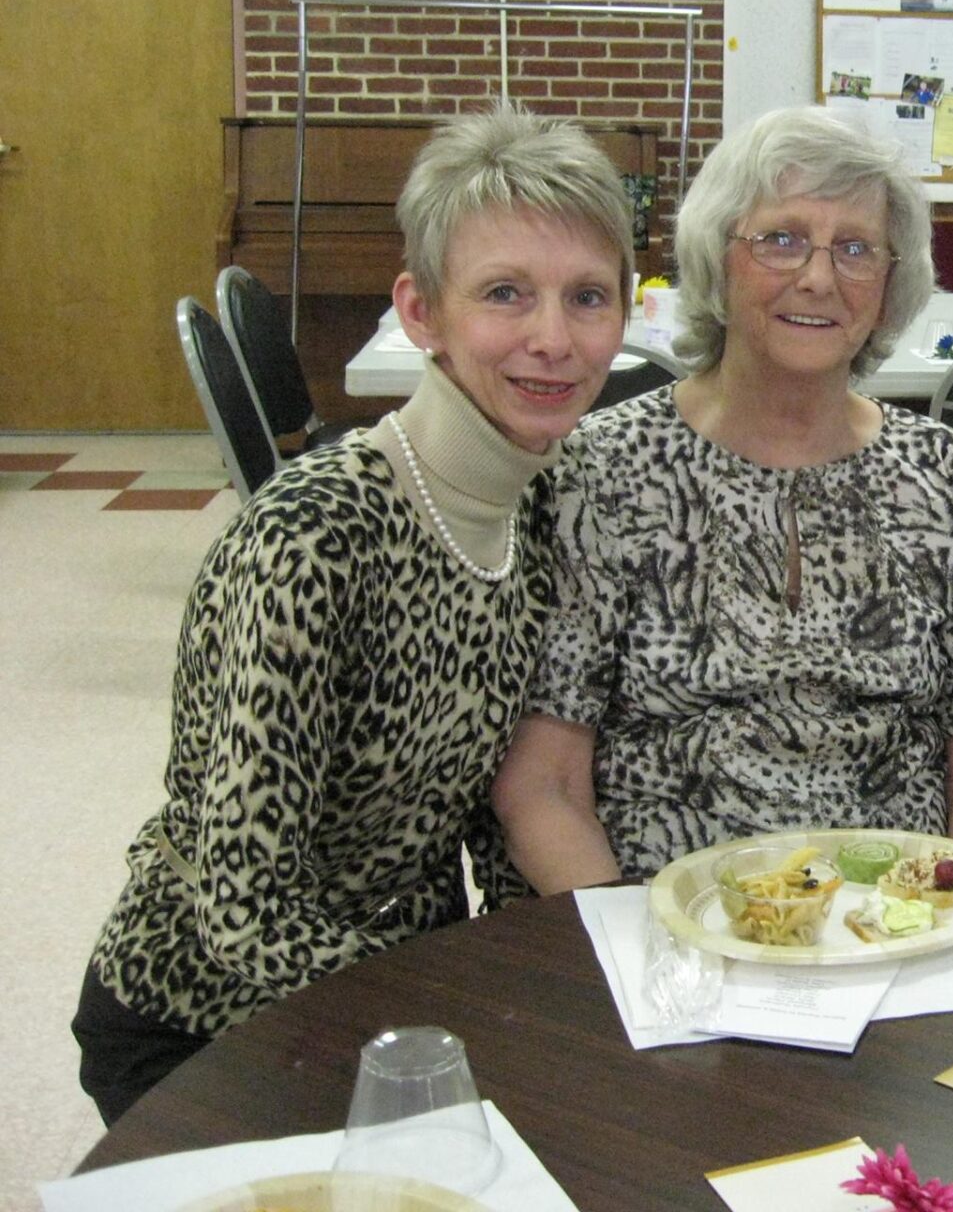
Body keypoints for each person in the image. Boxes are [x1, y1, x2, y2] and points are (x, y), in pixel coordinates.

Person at [72, 104, 634, 1124]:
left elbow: (505, 811)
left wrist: (566, 995)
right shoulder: (316, 535)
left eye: (587, 297)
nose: (555, 340)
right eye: (506, 293)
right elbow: (242, 907)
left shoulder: (553, 495)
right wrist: (455, 1027)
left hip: (409, 990)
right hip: (208, 1018)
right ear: (421, 312)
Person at [490, 106, 953, 889]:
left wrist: (950, 918)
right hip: (668, 923)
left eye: (855, 248)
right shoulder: (599, 473)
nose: (818, 277)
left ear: (890, 284)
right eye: (780, 239)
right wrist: (644, 960)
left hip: (888, 924)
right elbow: (542, 785)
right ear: (718, 258)